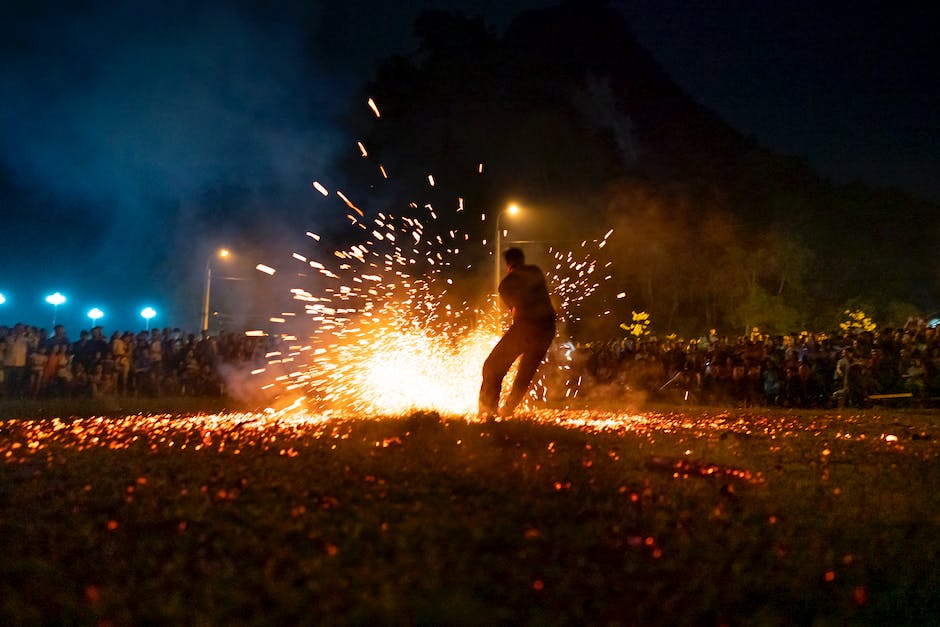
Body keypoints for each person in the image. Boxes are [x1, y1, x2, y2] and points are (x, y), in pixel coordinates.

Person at [479, 247, 556, 419]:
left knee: (492, 366)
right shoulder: (536, 271)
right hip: (548, 328)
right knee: (525, 373)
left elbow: (514, 308)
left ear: (508, 265)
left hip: (527, 328)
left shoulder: (506, 285)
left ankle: (487, 412)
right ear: (522, 260)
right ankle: (507, 410)